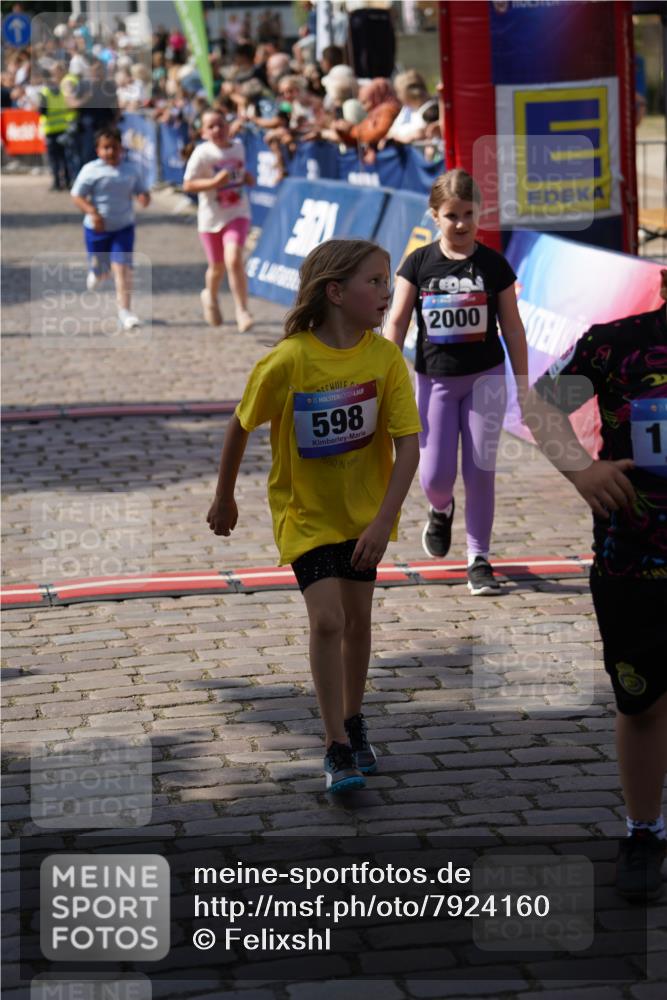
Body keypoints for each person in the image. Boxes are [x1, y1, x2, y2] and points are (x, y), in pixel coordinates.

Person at [206, 240, 421, 792]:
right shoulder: (289, 359)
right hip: (305, 516)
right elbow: (240, 423)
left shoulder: (385, 358)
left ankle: (354, 717)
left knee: (358, 623)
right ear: (335, 292)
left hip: (363, 518)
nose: (386, 292)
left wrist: (382, 522)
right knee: (327, 620)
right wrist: (224, 496)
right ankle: (336, 746)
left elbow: (408, 447)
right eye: (374, 282)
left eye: (386, 281)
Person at [523, 270, 667, 901]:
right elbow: (542, 402)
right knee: (643, 703)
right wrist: (582, 468)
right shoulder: (615, 343)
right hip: (632, 559)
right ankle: (643, 832)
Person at [385, 168, 529, 595]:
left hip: (486, 379)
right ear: (435, 216)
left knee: (480, 470)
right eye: (452, 215)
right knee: (434, 475)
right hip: (436, 382)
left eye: (469, 214)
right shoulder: (418, 264)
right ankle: (440, 509)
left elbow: (514, 328)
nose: (462, 224)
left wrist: (522, 383)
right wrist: (388, 376)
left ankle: (479, 558)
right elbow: (395, 322)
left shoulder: (494, 265)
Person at [182, 108, 255, 333]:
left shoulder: (238, 147)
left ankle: (242, 310)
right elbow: (188, 184)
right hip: (211, 217)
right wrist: (214, 182)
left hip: (237, 212)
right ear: (203, 132)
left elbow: (242, 176)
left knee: (233, 259)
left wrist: (247, 179)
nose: (217, 130)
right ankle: (210, 296)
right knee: (217, 267)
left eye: (220, 124)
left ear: (228, 126)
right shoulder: (202, 153)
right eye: (211, 126)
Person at [70, 126, 150, 330]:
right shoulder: (91, 170)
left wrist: (144, 197)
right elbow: (76, 196)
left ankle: (125, 312)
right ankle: (96, 271)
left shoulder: (131, 170)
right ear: (98, 150)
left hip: (123, 227)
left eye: (114, 147)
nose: (110, 152)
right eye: (105, 148)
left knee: (122, 269)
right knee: (103, 272)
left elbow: (141, 190)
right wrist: (92, 212)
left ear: (121, 148)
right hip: (97, 229)